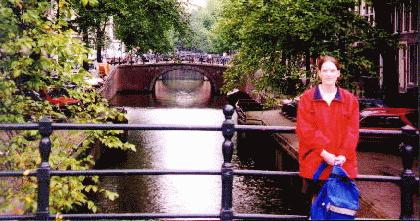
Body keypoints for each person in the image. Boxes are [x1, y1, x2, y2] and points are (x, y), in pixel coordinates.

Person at [296, 55, 359, 206]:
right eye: (325, 70)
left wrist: (343, 155)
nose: (329, 74)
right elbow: (305, 130)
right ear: (319, 73)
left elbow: (352, 131)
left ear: (338, 73)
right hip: (316, 162)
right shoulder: (307, 98)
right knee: (317, 207)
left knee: (340, 209)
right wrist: (324, 153)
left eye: (332, 70)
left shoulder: (350, 100)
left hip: (341, 164)